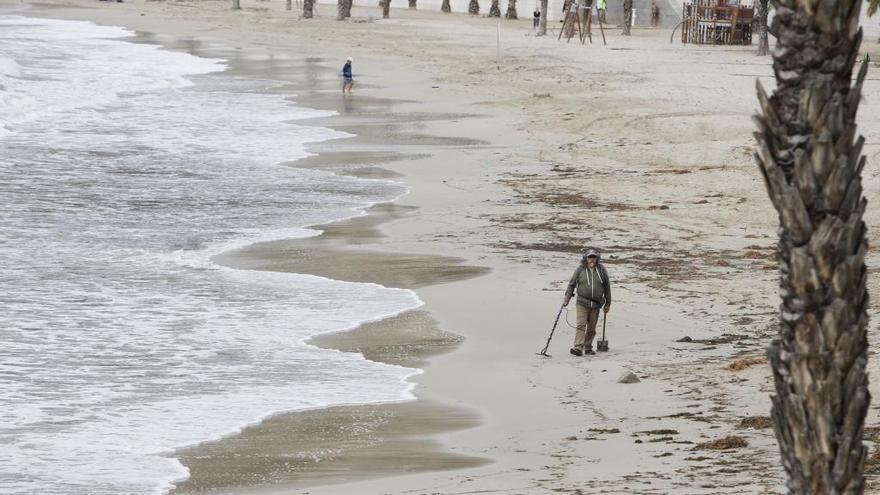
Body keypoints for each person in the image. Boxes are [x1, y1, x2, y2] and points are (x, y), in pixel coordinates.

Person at [563, 248, 611, 356]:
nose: (592, 259)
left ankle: (588, 347)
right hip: (582, 302)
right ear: (586, 258)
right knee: (581, 324)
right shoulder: (580, 269)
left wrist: (608, 303)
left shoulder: (602, 270)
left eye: (594, 257)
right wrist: (567, 298)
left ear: (597, 258)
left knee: (591, 328)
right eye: (590, 257)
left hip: (596, 304)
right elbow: (571, 284)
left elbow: (607, 287)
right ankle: (578, 347)